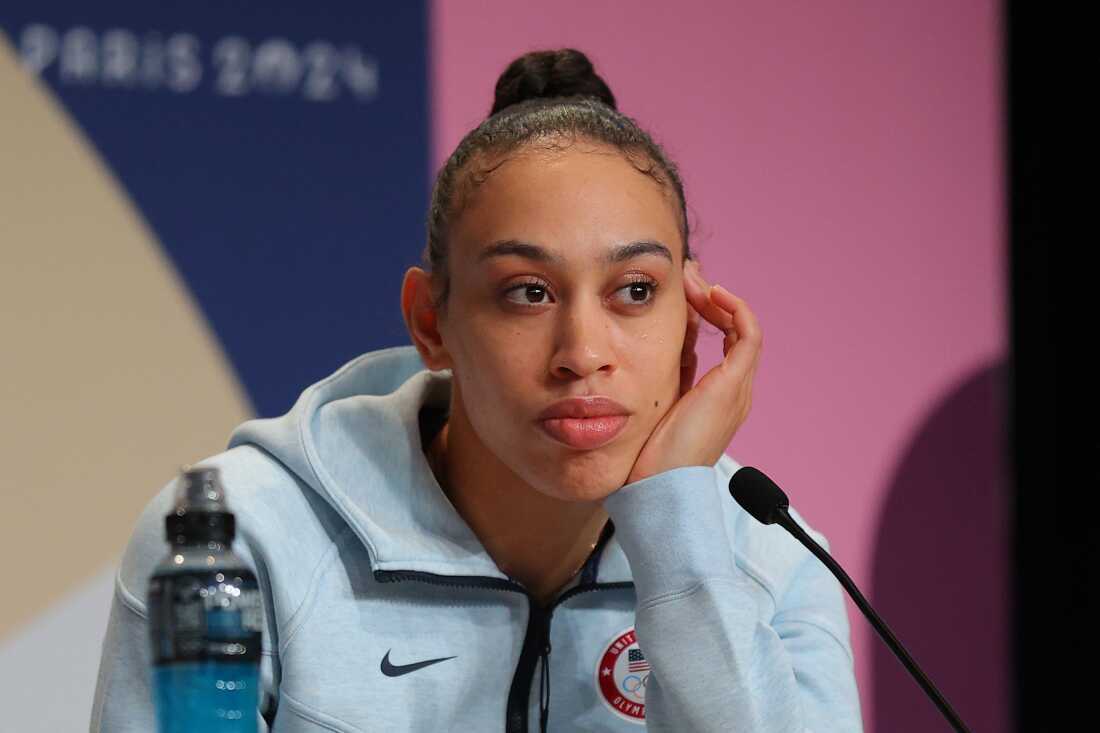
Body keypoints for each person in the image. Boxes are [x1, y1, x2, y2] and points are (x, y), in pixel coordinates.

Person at [91, 49, 862, 732]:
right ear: (432, 322)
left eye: (633, 289)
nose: (583, 354)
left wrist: (682, 544)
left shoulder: (769, 559)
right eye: (527, 292)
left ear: (693, 324)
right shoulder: (232, 548)